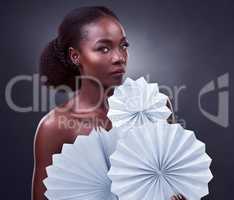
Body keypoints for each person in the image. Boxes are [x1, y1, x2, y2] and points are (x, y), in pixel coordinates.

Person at [31, 6, 186, 200]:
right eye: (104, 48)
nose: (119, 58)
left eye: (123, 46)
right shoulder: (54, 127)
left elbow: (178, 179)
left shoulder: (155, 105)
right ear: (75, 56)